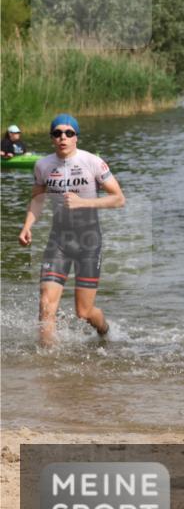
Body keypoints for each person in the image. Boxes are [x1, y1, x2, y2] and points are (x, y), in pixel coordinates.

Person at [17, 114, 126, 346]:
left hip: (89, 241)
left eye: (68, 133)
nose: (63, 137)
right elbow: (37, 199)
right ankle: (48, 364)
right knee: (46, 305)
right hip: (58, 241)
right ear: (52, 138)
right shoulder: (43, 165)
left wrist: (83, 202)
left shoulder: (92, 162)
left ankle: (105, 332)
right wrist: (27, 226)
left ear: (76, 137)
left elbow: (118, 199)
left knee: (84, 313)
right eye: (57, 133)